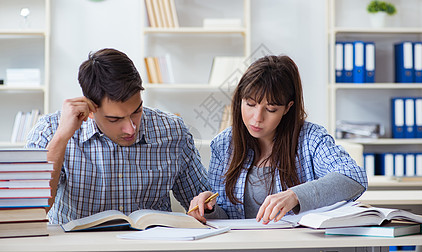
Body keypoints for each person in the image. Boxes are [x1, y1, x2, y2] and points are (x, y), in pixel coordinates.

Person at [26, 48, 210, 224]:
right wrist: (61, 138)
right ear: (91, 110)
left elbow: (206, 205)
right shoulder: (50, 131)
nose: (131, 129)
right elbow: (33, 210)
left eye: (137, 111)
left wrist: (205, 203)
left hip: (150, 246)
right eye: (115, 119)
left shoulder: (173, 132)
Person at [188, 55, 367, 224]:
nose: (257, 117)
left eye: (271, 109)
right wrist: (209, 210)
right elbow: (227, 219)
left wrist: (295, 196)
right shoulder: (224, 145)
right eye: (250, 104)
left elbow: (354, 177)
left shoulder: (311, 139)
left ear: (288, 108)